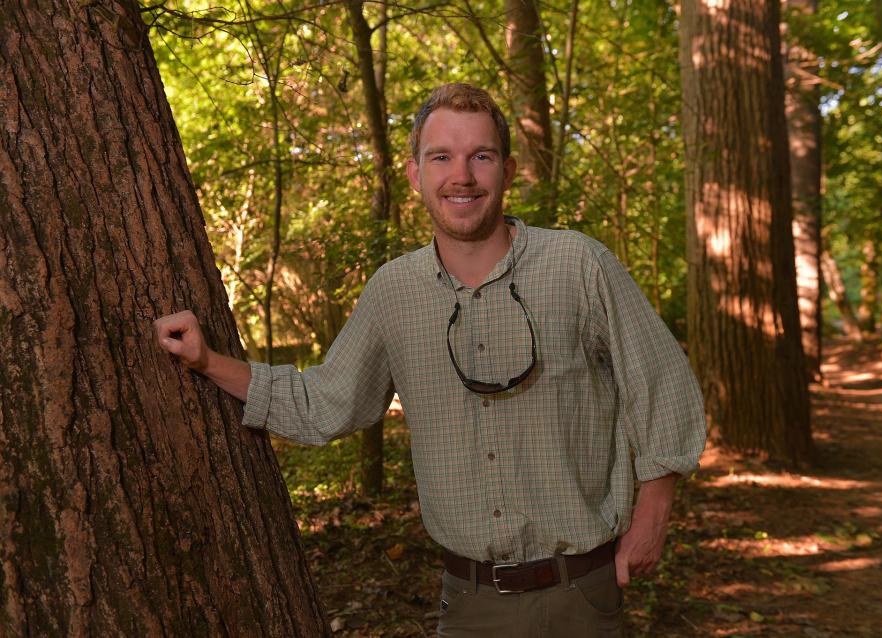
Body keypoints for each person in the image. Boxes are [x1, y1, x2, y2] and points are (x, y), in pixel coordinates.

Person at [155, 83, 706, 637]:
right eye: (441, 157)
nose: (461, 175)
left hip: (581, 599)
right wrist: (207, 362)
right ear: (416, 174)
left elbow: (661, 382)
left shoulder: (579, 265)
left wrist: (653, 512)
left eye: (481, 156)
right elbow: (324, 404)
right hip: (469, 608)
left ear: (507, 172)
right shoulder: (394, 293)